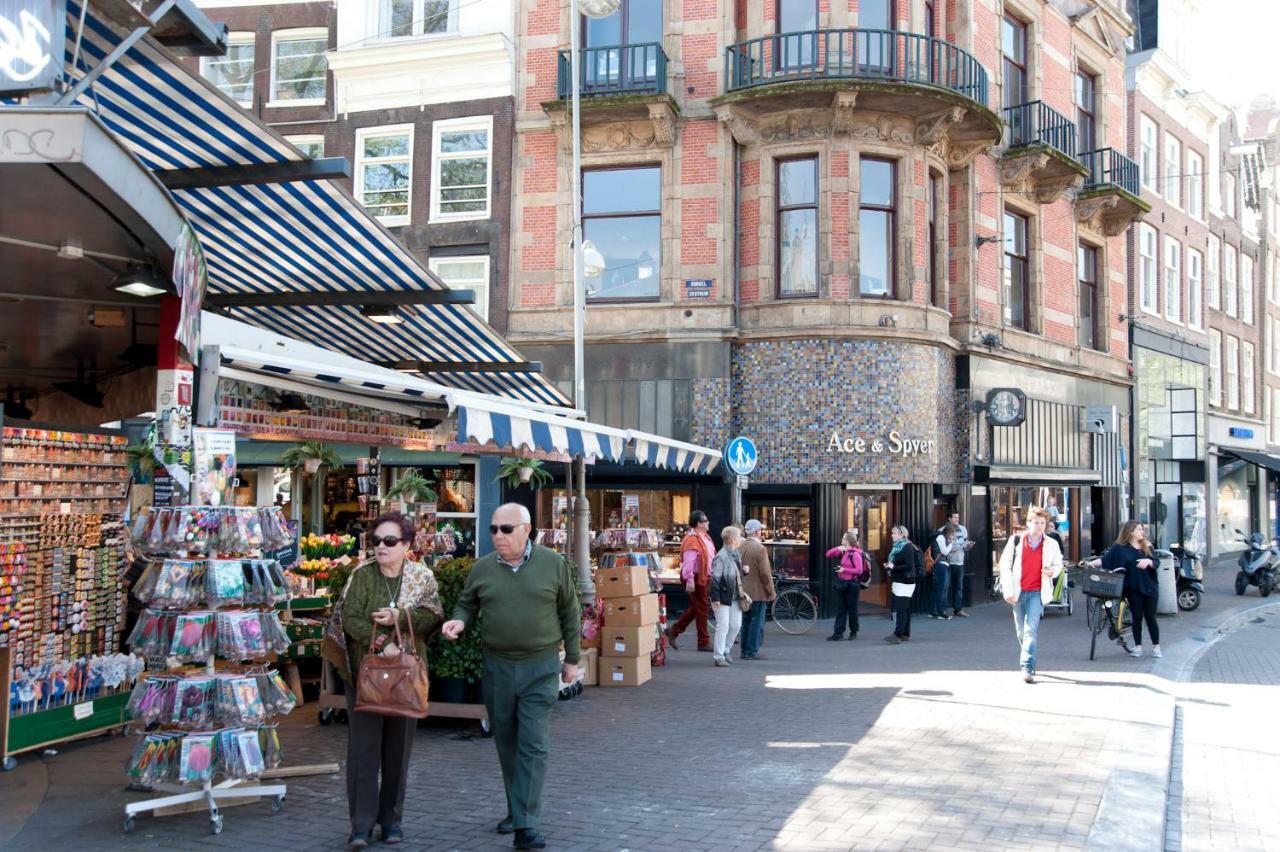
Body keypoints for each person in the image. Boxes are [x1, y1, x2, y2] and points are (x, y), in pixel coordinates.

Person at [441, 504, 581, 851]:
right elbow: (467, 604)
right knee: (507, 742)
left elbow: (570, 611)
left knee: (533, 742)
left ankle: (526, 825)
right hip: (498, 666)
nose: (498, 536)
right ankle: (516, 809)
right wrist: (459, 620)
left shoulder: (553, 564)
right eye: (493, 529)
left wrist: (573, 660)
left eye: (506, 529)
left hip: (540, 666)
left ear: (527, 530)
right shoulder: (483, 568)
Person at [340, 512, 444, 848]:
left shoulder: (421, 577)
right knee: (363, 751)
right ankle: (361, 824)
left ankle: (392, 822)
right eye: (376, 541)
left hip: (406, 679)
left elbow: (434, 616)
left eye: (390, 541)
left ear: (407, 545)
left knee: (398, 753)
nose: (381, 548)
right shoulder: (362, 576)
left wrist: (401, 616)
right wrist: (382, 642)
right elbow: (349, 617)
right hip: (365, 675)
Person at [996, 507, 1064, 683]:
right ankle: (1029, 655)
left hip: (1036, 592)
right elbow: (1005, 565)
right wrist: (1008, 590)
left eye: (1043, 523)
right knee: (1021, 631)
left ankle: (1027, 667)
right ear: (1028, 523)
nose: (1040, 526)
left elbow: (1059, 565)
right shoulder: (1016, 540)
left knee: (1030, 630)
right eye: (1036, 523)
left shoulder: (1051, 543)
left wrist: (1052, 571)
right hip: (1018, 591)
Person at [1101, 520, 1161, 659]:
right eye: (1139, 529)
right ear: (1131, 532)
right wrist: (1089, 563)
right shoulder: (1120, 548)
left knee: (1151, 616)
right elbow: (1106, 560)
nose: (1142, 532)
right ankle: (1138, 647)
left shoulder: (1147, 546)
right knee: (1137, 617)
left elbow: (1157, 562)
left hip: (1150, 587)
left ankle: (1156, 647)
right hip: (1133, 587)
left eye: (1142, 529)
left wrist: (1149, 562)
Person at [666, 510, 715, 652]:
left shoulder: (704, 537)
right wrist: (689, 580)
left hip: (704, 577)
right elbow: (689, 562)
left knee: (698, 608)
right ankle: (703, 641)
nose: (708, 522)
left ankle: (674, 631)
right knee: (702, 609)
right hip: (696, 577)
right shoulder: (692, 540)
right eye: (705, 520)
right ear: (699, 523)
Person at [738, 519, 775, 660]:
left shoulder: (739, 546)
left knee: (746, 621)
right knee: (756, 622)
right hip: (758, 591)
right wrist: (771, 591)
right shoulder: (760, 549)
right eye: (760, 529)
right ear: (756, 531)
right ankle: (751, 651)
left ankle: (744, 650)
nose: (761, 532)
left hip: (744, 590)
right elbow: (765, 573)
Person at [708, 526, 745, 667]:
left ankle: (726, 649)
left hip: (734, 596)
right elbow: (715, 579)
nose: (740, 539)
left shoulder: (736, 554)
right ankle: (719, 656)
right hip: (723, 596)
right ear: (733, 540)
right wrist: (715, 598)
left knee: (736, 625)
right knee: (722, 626)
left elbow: (736, 576)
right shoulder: (721, 556)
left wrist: (744, 572)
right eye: (738, 537)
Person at [826, 530, 868, 640]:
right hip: (842, 583)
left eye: (844, 538)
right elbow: (828, 554)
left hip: (852, 584)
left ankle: (853, 632)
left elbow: (859, 571)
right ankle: (838, 633)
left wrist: (844, 569)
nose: (842, 540)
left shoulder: (855, 554)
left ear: (848, 541)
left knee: (852, 609)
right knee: (841, 608)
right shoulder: (843, 551)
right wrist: (838, 548)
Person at [884, 525, 921, 644]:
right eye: (892, 533)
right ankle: (905, 633)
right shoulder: (898, 547)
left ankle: (897, 634)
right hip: (901, 581)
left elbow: (909, 566)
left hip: (905, 582)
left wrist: (893, 566)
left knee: (901, 609)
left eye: (894, 533)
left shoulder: (907, 547)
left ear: (902, 535)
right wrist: (890, 565)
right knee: (905, 609)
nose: (892, 535)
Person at [929, 524, 962, 620]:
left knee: (937, 589)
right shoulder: (941, 538)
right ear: (949, 533)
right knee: (941, 589)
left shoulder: (941, 538)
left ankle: (933, 611)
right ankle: (940, 612)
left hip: (941, 565)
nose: (953, 537)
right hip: (941, 565)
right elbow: (944, 552)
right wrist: (951, 544)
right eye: (952, 535)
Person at [941, 511, 971, 617]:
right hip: (948, 562)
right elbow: (941, 547)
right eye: (954, 517)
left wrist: (968, 546)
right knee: (945, 587)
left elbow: (965, 542)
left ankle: (958, 609)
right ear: (949, 518)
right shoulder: (942, 530)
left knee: (959, 587)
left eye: (958, 517)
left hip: (960, 562)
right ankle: (943, 609)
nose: (957, 519)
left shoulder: (963, 529)